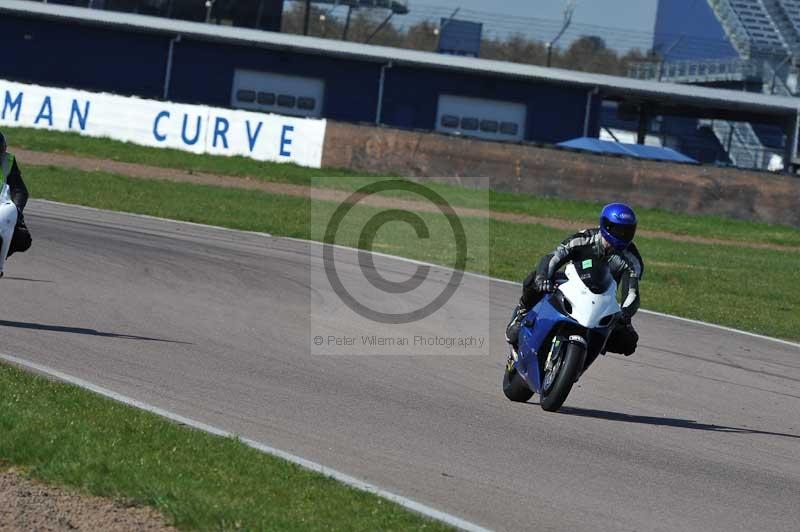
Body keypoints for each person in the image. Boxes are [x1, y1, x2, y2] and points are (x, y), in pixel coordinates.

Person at [506, 203, 643, 356]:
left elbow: (632, 292)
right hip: (572, 284)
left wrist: (625, 313)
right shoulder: (584, 238)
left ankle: (583, 358)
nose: (622, 235)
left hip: (602, 299)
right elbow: (554, 257)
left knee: (629, 341)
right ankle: (521, 315)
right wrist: (542, 278)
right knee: (533, 279)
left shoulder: (633, 259)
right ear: (606, 226)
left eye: (627, 231)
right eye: (618, 230)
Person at [0, 132, 32, 259]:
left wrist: (16, 210)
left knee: (22, 237)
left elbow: (19, 190)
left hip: (1, 209)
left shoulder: (7, 161)